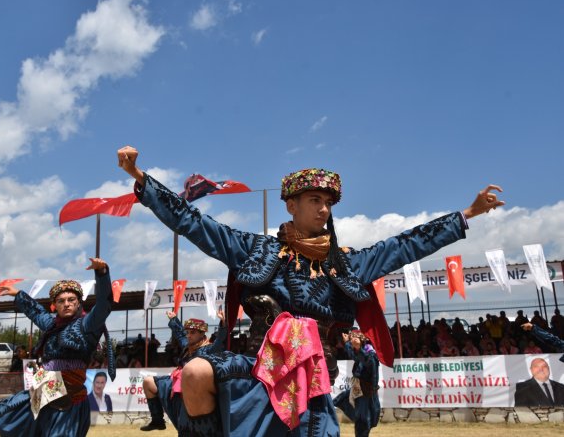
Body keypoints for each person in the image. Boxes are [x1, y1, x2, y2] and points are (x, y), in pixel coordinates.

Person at [118, 145, 504, 436]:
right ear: (291, 205)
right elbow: (194, 223)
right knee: (196, 371)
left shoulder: (347, 263)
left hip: (313, 378)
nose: (324, 209)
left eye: (328, 203)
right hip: (255, 368)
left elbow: (405, 245)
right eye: (315, 200)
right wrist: (141, 178)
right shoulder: (257, 250)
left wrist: (466, 215)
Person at [0, 257, 115, 437]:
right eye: (61, 301)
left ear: (78, 302)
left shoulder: (87, 325)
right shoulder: (52, 325)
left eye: (71, 299)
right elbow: (37, 312)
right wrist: (18, 294)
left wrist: (102, 273)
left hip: (69, 400)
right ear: (55, 305)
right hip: (43, 390)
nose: (66, 304)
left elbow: (104, 305)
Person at [140, 309, 227, 431]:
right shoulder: (187, 345)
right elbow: (180, 333)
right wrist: (173, 319)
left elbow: (220, 341)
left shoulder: (209, 349)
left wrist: (222, 323)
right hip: (178, 384)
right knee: (148, 382)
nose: (189, 335)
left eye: (193, 332)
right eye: (188, 332)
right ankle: (157, 420)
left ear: (202, 333)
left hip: (195, 389)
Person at [333, 331, 380, 437]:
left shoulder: (370, 353)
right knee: (359, 419)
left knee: (364, 421)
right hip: (359, 391)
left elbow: (367, 362)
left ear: (362, 340)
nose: (352, 340)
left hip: (366, 393)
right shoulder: (359, 352)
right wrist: (347, 343)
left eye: (355, 338)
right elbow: (353, 355)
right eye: (351, 338)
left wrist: (358, 348)